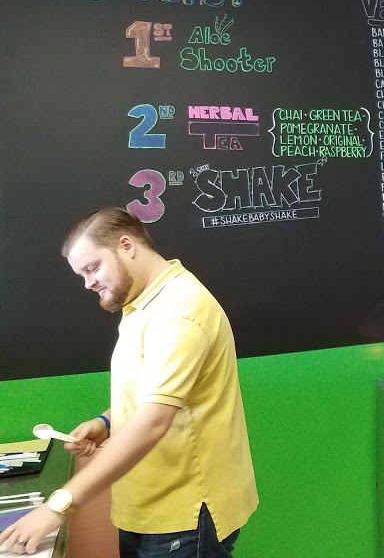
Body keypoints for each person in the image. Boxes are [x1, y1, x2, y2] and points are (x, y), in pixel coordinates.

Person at [0, 208, 258, 556]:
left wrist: (57, 507)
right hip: (149, 507)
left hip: (184, 514)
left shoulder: (178, 311)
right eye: (82, 274)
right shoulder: (144, 303)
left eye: (93, 267)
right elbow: (155, 390)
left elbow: (153, 423)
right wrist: (106, 422)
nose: (88, 283)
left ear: (126, 245)